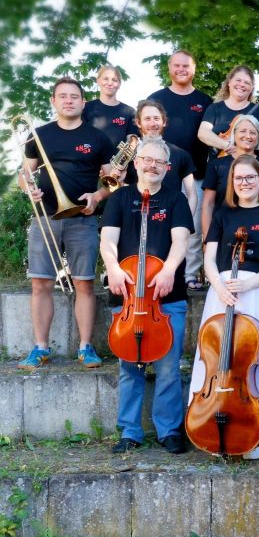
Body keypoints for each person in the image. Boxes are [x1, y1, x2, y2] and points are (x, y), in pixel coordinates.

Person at [100, 137, 194, 454]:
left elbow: (180, 241)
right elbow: (108, 241)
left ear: (167, 167)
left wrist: (168, 270)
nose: (152, 166)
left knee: (168, 368)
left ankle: (168, 430)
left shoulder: (176, 199)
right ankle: (129, 431)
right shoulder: (120, 198)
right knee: (130, 367)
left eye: (159, 162)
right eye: (147, 160)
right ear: (136, 163)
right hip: (127, 296)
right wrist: (113, 268)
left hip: (166, 300)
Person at [189, 154, 259, 458]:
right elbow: (209, 258)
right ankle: (211, 419)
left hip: (258, 290)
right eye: (239, 178)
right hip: (223, 289)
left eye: (250, 177)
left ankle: (251, 430)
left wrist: (249, 284)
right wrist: (219, 287)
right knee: (216, 354)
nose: (244, 183)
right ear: (232, 182)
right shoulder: (222, 215)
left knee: (255, 357)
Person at [18, 76, 113, 371]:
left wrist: (98, 196)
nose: (69, 100)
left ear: (83, 102)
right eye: (63, 96)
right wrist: (28, 188)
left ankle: (85, 347)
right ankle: (40, 347)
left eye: (74, 96)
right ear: (54, 101)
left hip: (82, 219)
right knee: (40, 283)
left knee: (84, 284)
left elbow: (112, 181)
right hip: (45, 218)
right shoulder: (39, 135)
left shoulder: (98, 137)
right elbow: (24, 174)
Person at [148, 49, 213, 291]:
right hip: (161, 177)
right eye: (177, 65)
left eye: (186, 65)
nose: (181, 69)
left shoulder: (205, 101)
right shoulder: (156, 98)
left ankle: (190, 274)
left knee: (192, 229)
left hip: (196, 176)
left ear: (194, 69)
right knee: (158, 227)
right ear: (170, 69)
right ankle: (158, 271)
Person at [201, 115, 259, 240]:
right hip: (223, 232)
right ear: (234, 134)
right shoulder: (216, 165)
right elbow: (208, 204)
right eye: (243, 131)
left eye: (253, 132)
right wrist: (208, 239)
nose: (248, 136)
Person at [123, 99, 197, 222]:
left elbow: (192, 195)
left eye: (156, 118)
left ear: (164, 122)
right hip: (135, 220)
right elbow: (122, 191)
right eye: (147, 119)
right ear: (138, 122)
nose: (152, 123)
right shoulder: (128, 155)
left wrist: (184, 223)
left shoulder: (181, 154)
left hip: (170, 221)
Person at [197, 64, 259, 160]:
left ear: (251, 88)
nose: (242, 84)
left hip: (250, 163)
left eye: (247, 83)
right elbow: (203, 133)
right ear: (229, 82)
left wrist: (242, 147)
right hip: (218, 164)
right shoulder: (215, 108)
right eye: (238, 80)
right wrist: (227, 145)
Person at [82, 65, 138, 149]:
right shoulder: (85, 108)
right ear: (98, 81)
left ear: (119, 84)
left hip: (119, 157)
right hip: (90, 157)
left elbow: (132, 142)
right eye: (106, 79)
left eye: (114, 80)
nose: (110, 83)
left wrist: (130, 147)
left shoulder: (129, 112)